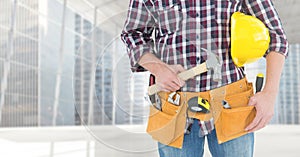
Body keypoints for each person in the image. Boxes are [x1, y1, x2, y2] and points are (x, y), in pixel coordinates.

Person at [121, 0, 288, 156]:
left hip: (231, 103)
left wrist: (269, 94)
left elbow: (276, 36)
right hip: (174, 105)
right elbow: (133, 34)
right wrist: (158, 68)